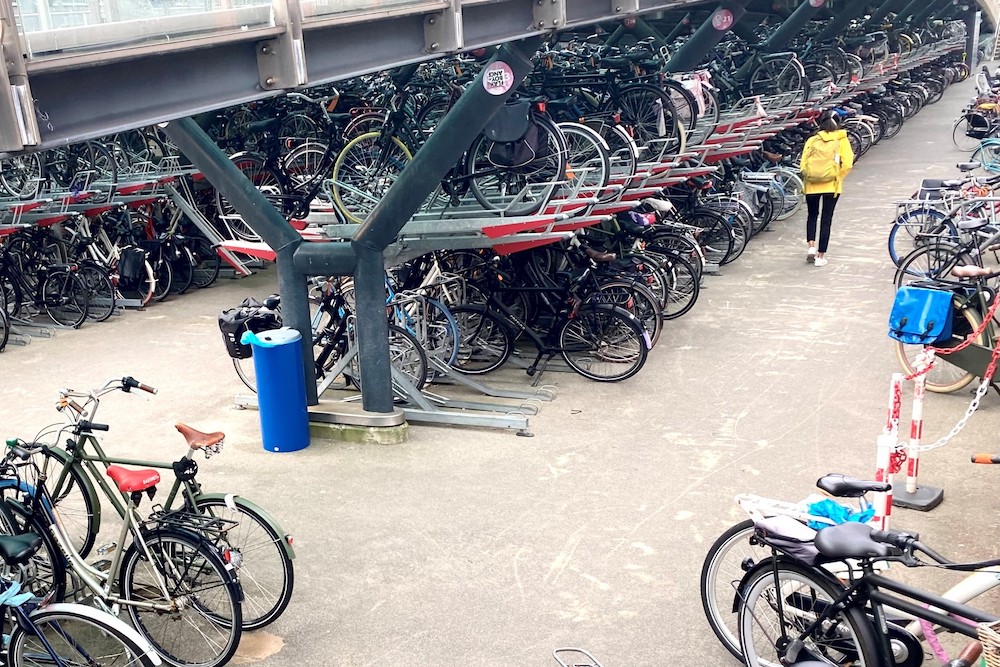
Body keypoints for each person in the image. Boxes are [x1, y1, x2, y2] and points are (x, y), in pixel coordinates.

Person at [800, 109, 854, 267]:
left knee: (812, 215)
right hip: (832, 185)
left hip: (811, 185)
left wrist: (808, 177)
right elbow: (848, 163)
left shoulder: (812, 140)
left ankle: (811, 246)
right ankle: (820, 256)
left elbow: (803, 162)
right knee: (826, 219)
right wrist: (838, 176)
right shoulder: (841, 140)